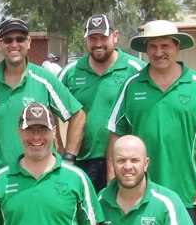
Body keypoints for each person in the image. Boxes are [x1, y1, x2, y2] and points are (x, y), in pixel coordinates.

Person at [107, 20, 196, 225]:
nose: (159, 52)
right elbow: (116, 135)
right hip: (140, 192)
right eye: (153, 46)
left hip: (185, 191)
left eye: (165, 45)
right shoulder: (132, 85)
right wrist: (112, 180)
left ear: (177, 48)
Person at [0, 17, 85, 189]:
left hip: (39, 179)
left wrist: (69, 157)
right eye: (8, 40)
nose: (14, 44)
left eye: (20, 39)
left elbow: (78, 115)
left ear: (29, 42)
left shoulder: (44, 79)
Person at [59, 14, 145, 192]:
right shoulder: (71, 72)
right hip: (82, 160)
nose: (98, 43)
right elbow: (47, 109)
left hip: (125, 161)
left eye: (103, 37)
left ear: (115, 36)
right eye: (92, 38)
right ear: (86, 41)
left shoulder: (136, 69)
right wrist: (59, 148)